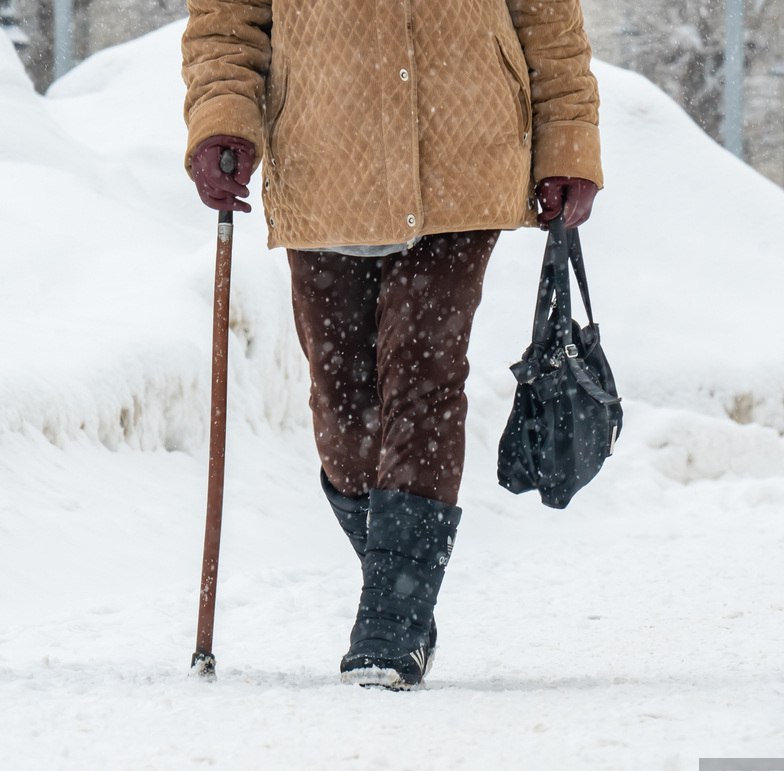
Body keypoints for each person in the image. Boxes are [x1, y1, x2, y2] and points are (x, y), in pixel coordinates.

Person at [181, 0, 602, 689]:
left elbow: (549, 19)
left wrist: (567, 146)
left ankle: (391, 624)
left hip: (464, 153)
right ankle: (401, 586)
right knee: (342, 412)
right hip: (325, 162)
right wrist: (220, 124)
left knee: (424, 378)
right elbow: (226, 24)